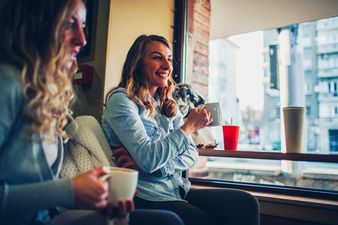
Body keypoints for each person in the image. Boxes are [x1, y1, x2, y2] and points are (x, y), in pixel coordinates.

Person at [0, 1, 184, 225]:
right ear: (35, 25)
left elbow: (40, 192)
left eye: (83, 26)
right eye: (70, 23)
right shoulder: (7, 85)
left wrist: (93, 200)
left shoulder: (42, 95)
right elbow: (149, 158)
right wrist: (69, 191)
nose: (82, 39)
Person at [102, 34, 260, 225]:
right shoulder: (122, 101)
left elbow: (192, 154)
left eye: (169, 59)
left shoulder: (167, 104)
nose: (167, 67)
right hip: (147, 196)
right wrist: (188, 127)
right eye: (157, 57)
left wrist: (157, 169)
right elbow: (149, 159)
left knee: (246, 203)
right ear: (137, 63)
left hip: (176, 189)